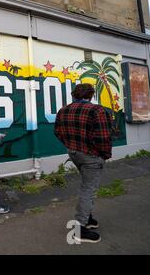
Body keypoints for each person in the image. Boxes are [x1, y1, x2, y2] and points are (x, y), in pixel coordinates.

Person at [54, 83, 112, 243]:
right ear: (91, 95)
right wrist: (105, 155)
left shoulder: (63, 110)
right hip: (91, 156)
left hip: (74, 153)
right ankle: (80, 228)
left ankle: (88, 217)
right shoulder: (97, 110)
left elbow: (57, 132)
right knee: (88, 190)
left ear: (74, 94)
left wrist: (70, 145)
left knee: (87, 185)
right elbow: (103, 137)